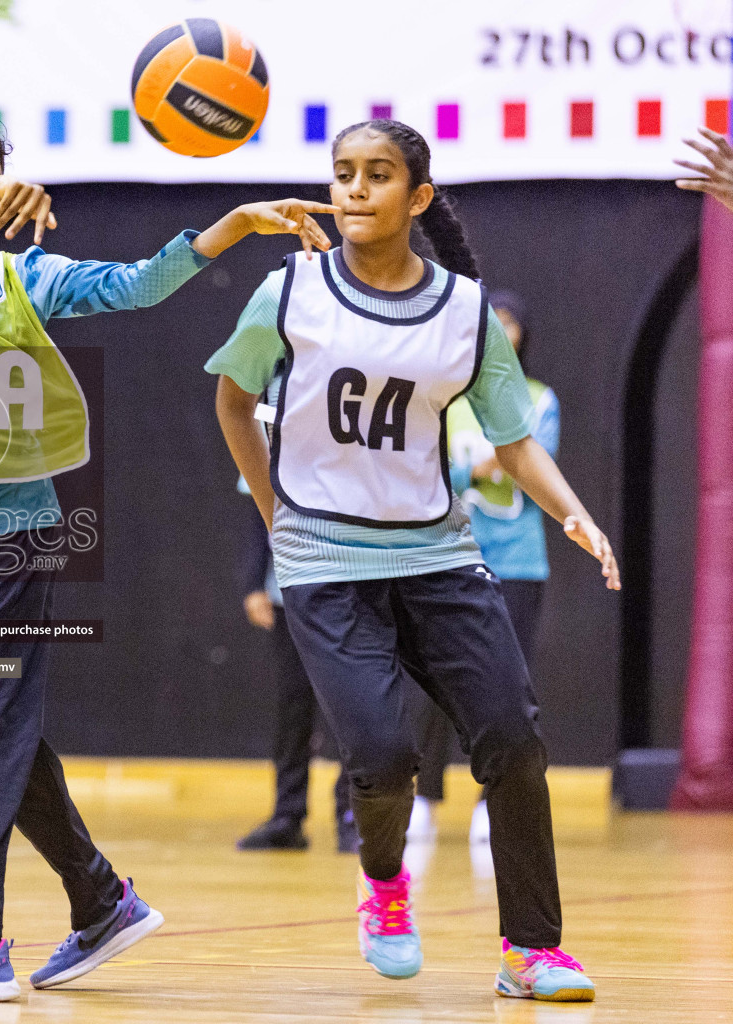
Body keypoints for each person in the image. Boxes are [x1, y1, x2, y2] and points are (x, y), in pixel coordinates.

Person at [0, 113, 336, 1002]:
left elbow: (139, 285)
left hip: (20, 524)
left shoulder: (30, 277)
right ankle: (102, 901)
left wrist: (237, 224)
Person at [209, 119, 617, 1002]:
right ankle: (386, 887)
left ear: (418, 197)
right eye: (343, 172)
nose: (354, 189)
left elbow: (512, 442)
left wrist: (576, 513)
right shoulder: (292, 292)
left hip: (436, 554)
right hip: (325, 563)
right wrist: (281, 519)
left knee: (512, 735)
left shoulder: (465, 311)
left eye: (378, 174)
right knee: (386, 754)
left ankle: (530, 949)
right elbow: (236, 405)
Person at [409, 291, 557, 847]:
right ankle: (424, 797)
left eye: (511, 321)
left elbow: (534, 468)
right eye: (490, 320)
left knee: (508, 685)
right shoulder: (444, 399)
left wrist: (488, 465)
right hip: (449, 557)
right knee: (432, 680)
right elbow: (432, 470)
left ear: (523, 335)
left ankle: (493, 802)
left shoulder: (539, 398)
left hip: (518, 561)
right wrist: (489, 461)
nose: (500, 328)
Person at [235, 460, 356, 855]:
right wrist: (254, 583)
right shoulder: (270, 436)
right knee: (293, 705)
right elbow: (257, 511)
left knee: (351, 705)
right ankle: (287, 817)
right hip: (288, 589)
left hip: (347, 588)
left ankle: (352, 815)